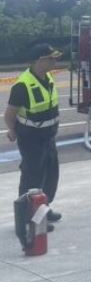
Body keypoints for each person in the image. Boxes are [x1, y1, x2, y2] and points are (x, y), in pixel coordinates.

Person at [4, 44, 64, 228]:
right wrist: (12, 131)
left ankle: (43, 209)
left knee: (50, 175)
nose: (55, 61)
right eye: (51, 58)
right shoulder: (22, 85)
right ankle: (27, 218)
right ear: (40, 60)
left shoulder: (47, 78)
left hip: (48, 136)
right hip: (31, 139)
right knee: (32, 177)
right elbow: (10, 114)